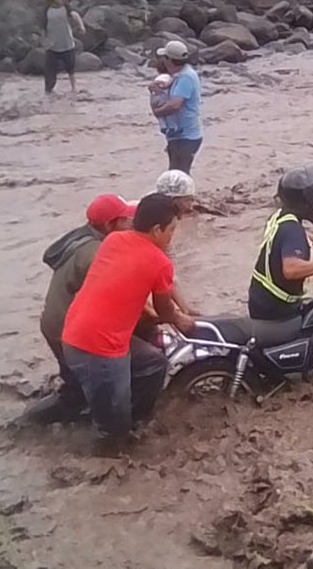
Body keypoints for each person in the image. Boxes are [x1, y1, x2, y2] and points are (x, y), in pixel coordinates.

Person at [62, 194, 197, 454]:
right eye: (171, 230)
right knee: (113, 429)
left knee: (154, 363)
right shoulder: (159, 262)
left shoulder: (114, 239)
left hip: (74, 332)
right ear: (157, 229)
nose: (172, 237)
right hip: (99, 349)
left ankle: (129, 417)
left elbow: (128, 285)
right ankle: (107, 462)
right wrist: (183, 319)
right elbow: (164, 309)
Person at [28, 194, 137, 425]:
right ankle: (27, 425)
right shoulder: (97, 253)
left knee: (76, 381)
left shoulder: (82, 238)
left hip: (55, 320)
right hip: (67, 328)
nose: (130, 224)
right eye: (125, 220)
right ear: (109, 225)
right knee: (77, 392)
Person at [247, 165, 313, 322]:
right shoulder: (292, 230)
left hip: (261, 299)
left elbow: (287, 237)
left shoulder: (280, 217)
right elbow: (291, 269)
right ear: (305, 203)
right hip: (276, 310)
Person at [150, 41, 204, 174]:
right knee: (177, 173)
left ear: (169, 60)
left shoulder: (186, 77)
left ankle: (182, 194)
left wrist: (157, 112)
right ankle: (180, 194)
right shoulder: (180, 75)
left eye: (164, 57)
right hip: (180, 134)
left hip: (186, 136)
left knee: (178, 173)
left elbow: (175, 105)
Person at [41, 0, 85, 96]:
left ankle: (74, 88)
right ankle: (48, 91)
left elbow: (75, 15)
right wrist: (44, 40)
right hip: (52, 45)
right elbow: (43, 27)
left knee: (70, 68)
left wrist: (81, 26)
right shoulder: (46, 10)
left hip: (67, 43)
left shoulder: (66, 7)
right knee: (50, 71)